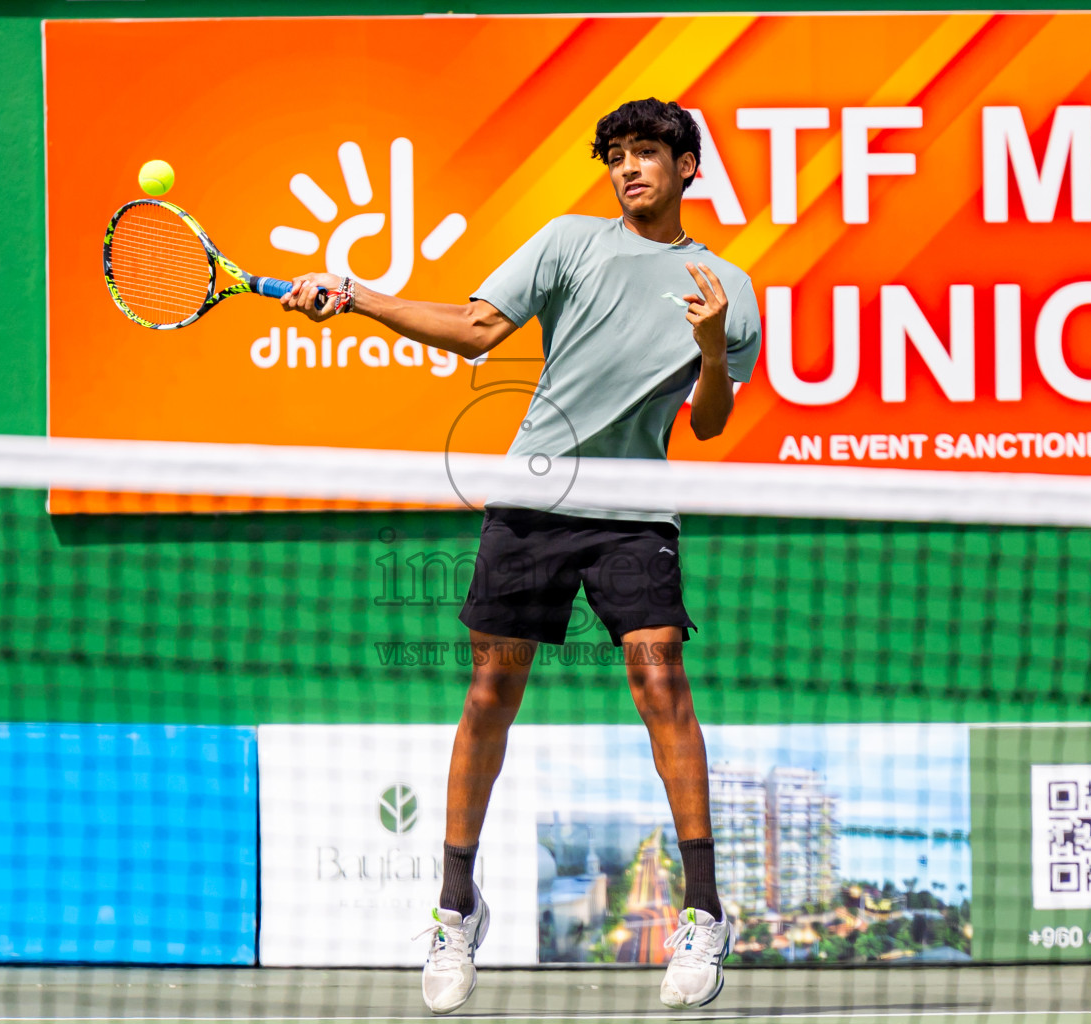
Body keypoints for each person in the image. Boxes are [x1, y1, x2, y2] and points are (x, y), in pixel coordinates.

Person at [281, 97, 762, 1014]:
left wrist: (708, 349)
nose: (629, 168)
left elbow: (705, 421)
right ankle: (455, 912)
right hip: (536, 498)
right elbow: (475, 329)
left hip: (633, 511)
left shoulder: (727, 286)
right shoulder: (568, 244)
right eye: (617, 155)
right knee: (489, 694)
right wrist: (358, 296)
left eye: (648, 152)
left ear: (688, 167)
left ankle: (704, 912)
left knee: (662, 685)